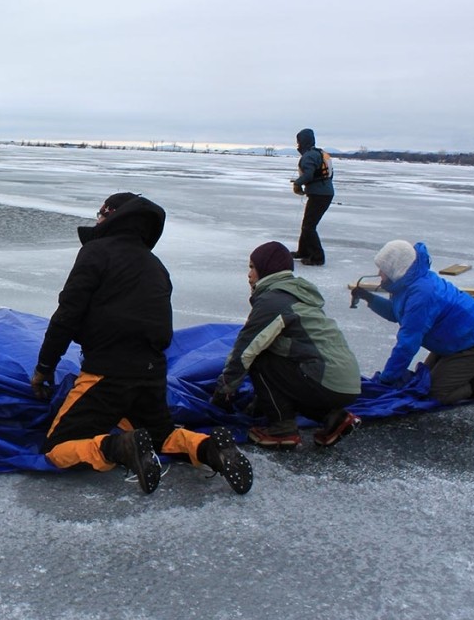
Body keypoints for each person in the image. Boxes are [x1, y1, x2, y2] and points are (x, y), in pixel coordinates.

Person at [30, 192, 253, 496]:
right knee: (161, 436)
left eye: (101, 213)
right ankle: (208, 447)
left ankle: (117, 447)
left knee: (56, 448)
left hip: (107, 373)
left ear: (113, 216)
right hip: (151, 375)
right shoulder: (155, 265)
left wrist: (44, 367)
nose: (96, 219)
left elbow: (67, 315)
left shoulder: (96, 252)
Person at [211, 242, 362, 448]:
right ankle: (333, 418)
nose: (249, 274)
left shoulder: (273, 301)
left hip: (325, 380)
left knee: (260, 358)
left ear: (266, 268)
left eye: (252, 267)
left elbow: (245, 350)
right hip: (347, 383)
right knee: (287, 364)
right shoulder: (297, 294)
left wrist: (224, 391)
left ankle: (282, 429)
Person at [351, 240, 474, 404]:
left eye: (383, 269)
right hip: (453, 342)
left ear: (396, 268)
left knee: (435, 394)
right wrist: (369, 298)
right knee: (421, 383)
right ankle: (473, 368)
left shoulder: (421, 294)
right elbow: (397, 313)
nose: (379, 273)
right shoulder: (407, 284)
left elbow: (408, 344)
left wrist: (385, 381)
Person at [290, 128, 334, 266]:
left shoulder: (309, 156)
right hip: (324, 193)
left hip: (319, 195)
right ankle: (302, 251)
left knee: (309, 226)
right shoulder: (321, 153)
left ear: (302, 142)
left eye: (298, 141)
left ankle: (317, 257)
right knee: (307, 224)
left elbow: (308, 174)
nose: (297, 145)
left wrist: (297, 184)